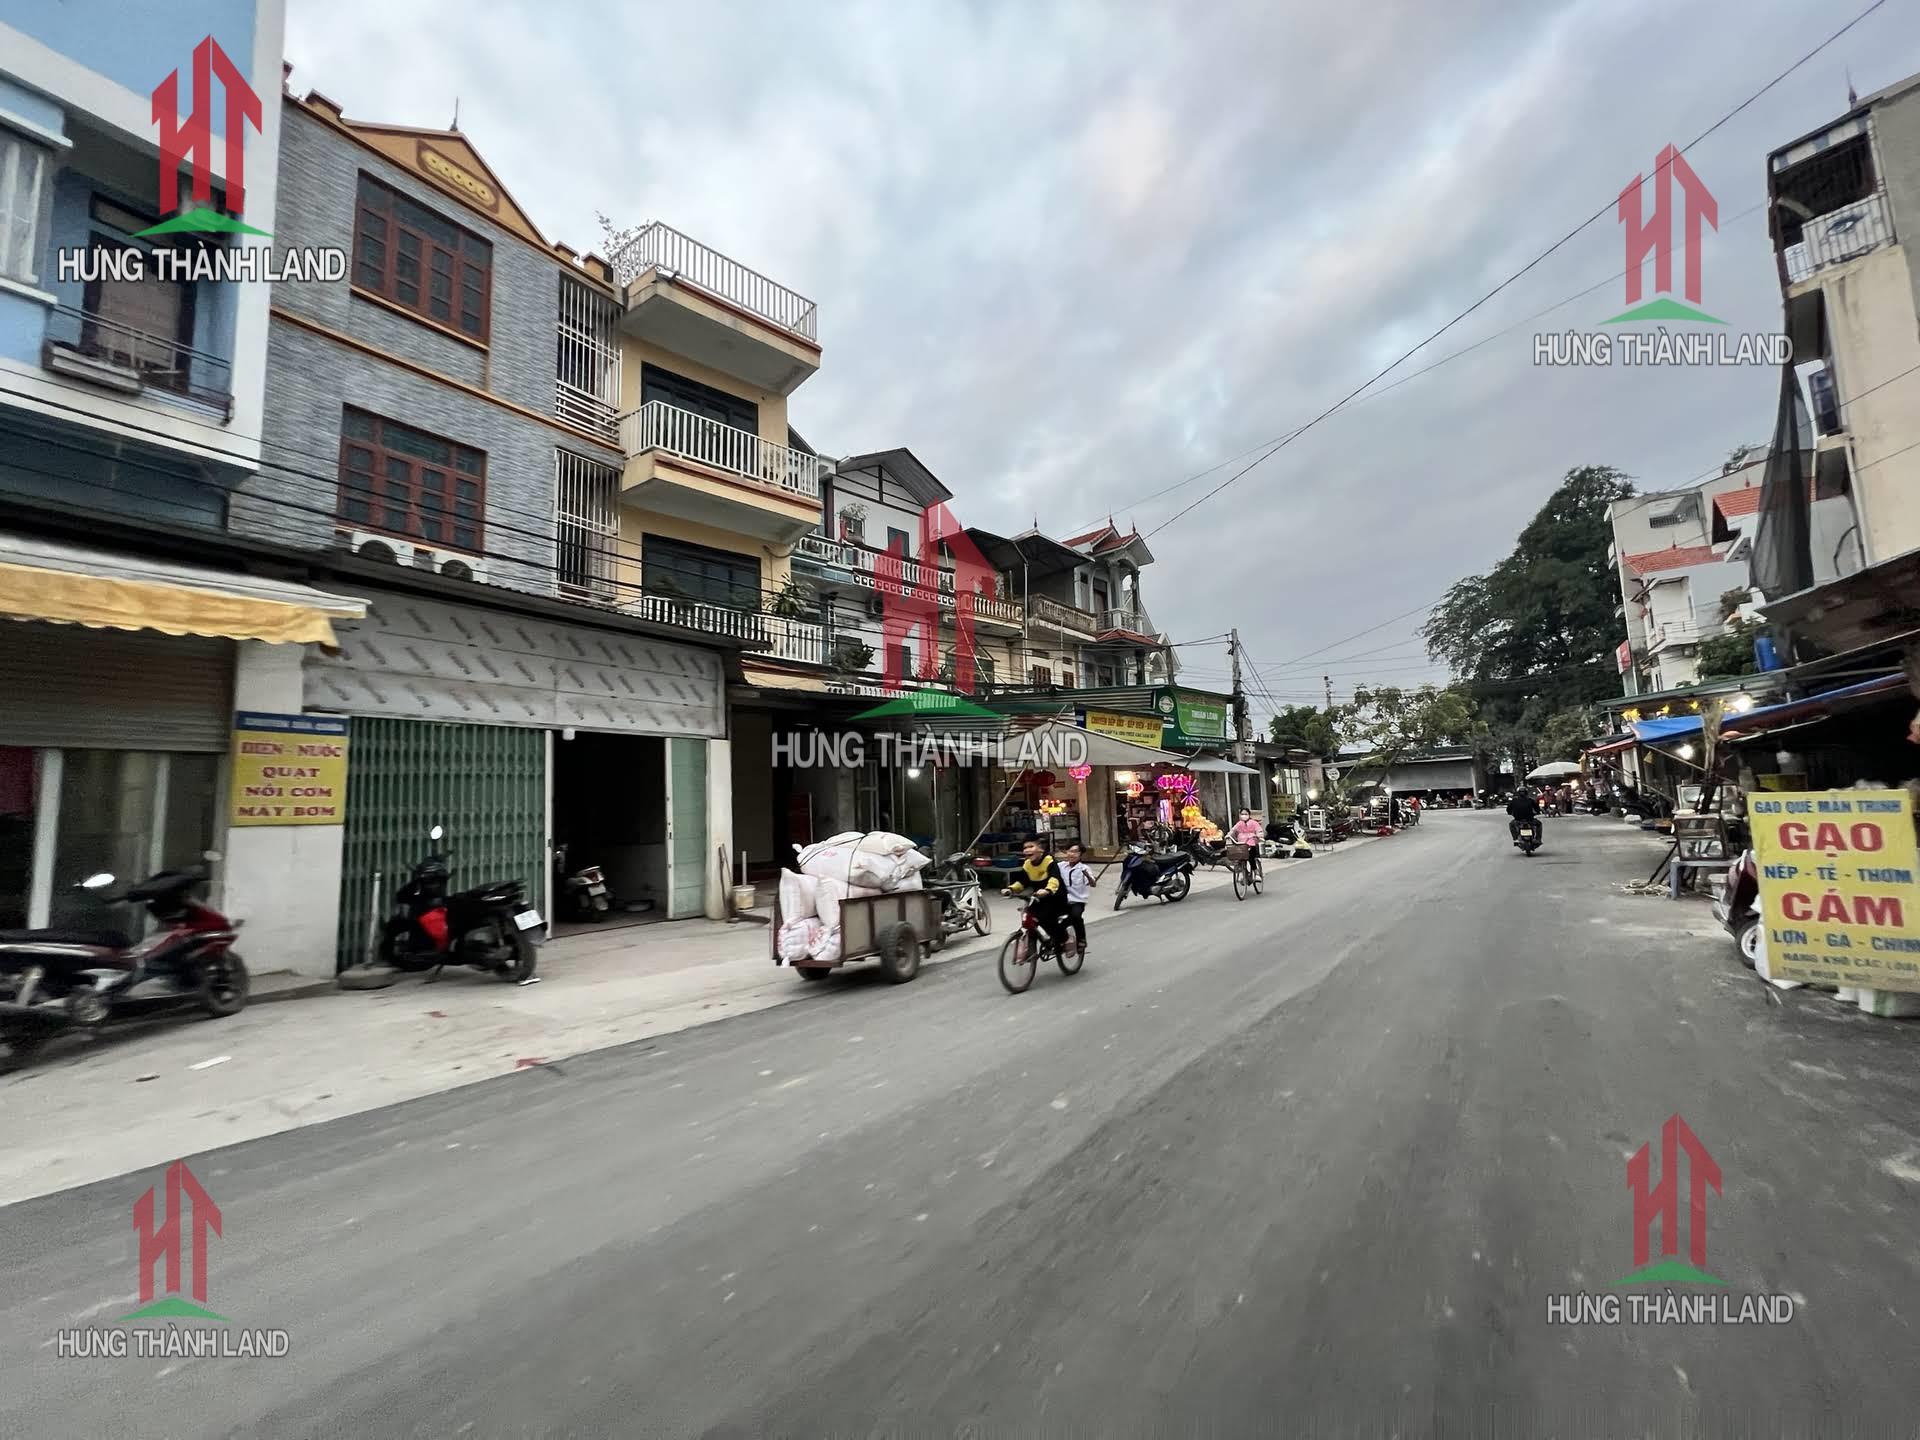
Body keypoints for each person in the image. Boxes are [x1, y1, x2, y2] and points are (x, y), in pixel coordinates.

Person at [1004, 836, 1073, 954]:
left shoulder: (1049, 861)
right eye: (1025, 848)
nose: (1027, 850)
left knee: (1045, 918)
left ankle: (1065, 939)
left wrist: (1048, 890)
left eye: (1031, 846)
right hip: (1038, 898)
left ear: (1040, 848)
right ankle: (1033, 949)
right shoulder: (1027, 864)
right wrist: (1011, 889)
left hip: (1055, 897)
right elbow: (1023, 881)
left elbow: (1054, 879)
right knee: (1030, 918)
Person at [1060, 842, 1095, 956]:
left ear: (1081, 854)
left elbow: (1093, 884)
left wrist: (1088, 876)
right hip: (1063, 900)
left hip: (1078, 901)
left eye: (1075, 852)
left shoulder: (1084, 868)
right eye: (1070, 851)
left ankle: (1081, 940)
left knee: (1075, 917)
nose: (1072, 854)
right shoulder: (1061, 866)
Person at [1230, 808, 1264, 877]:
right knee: (1239, 858)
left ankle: (1256, 872)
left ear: (1249, 815)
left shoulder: (1254, 823)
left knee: (1251, 858)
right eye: (1242, 814)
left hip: (1251, 844)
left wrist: (1259, 835)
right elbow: (1233, 830)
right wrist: (1228, 835)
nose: (1244, 816)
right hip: (1241, 845)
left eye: (1245, 814)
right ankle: (1245, 873)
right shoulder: (1239, 823)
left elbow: (1259, 830)